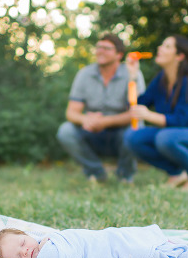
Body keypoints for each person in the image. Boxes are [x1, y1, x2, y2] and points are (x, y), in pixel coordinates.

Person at [124, 35, 188, 192]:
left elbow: (179, 121)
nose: (160, 48)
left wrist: (149, 115)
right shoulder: (160, 80)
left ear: (179, 56)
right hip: (174, 136)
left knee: (165, 137)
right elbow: (138, 103)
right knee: (132, 137)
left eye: (167, 46)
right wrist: (133, 75)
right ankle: (177, 174)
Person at [56, 33, 145, 183]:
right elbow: (71, 112)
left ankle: (125, 175)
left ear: (119, 54)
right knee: (65, 131)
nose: (100, 51)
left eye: (106, 48)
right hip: (93, 132)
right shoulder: (84, 74)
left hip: (120, 133)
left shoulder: (132, 74)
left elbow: (137, 113)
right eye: (98, 47)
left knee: (137, 127)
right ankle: (96, 173)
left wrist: (105, 121)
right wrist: (87, 119)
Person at [0, 227, 188, 258]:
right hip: (114, 252)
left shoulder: (47, 240)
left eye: (22, 243)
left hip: (109, 239)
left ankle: (166, 248)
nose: (25, 251)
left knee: (121, 238)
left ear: (26, 235)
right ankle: (168, 254)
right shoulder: (47, 257)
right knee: (143, 253)